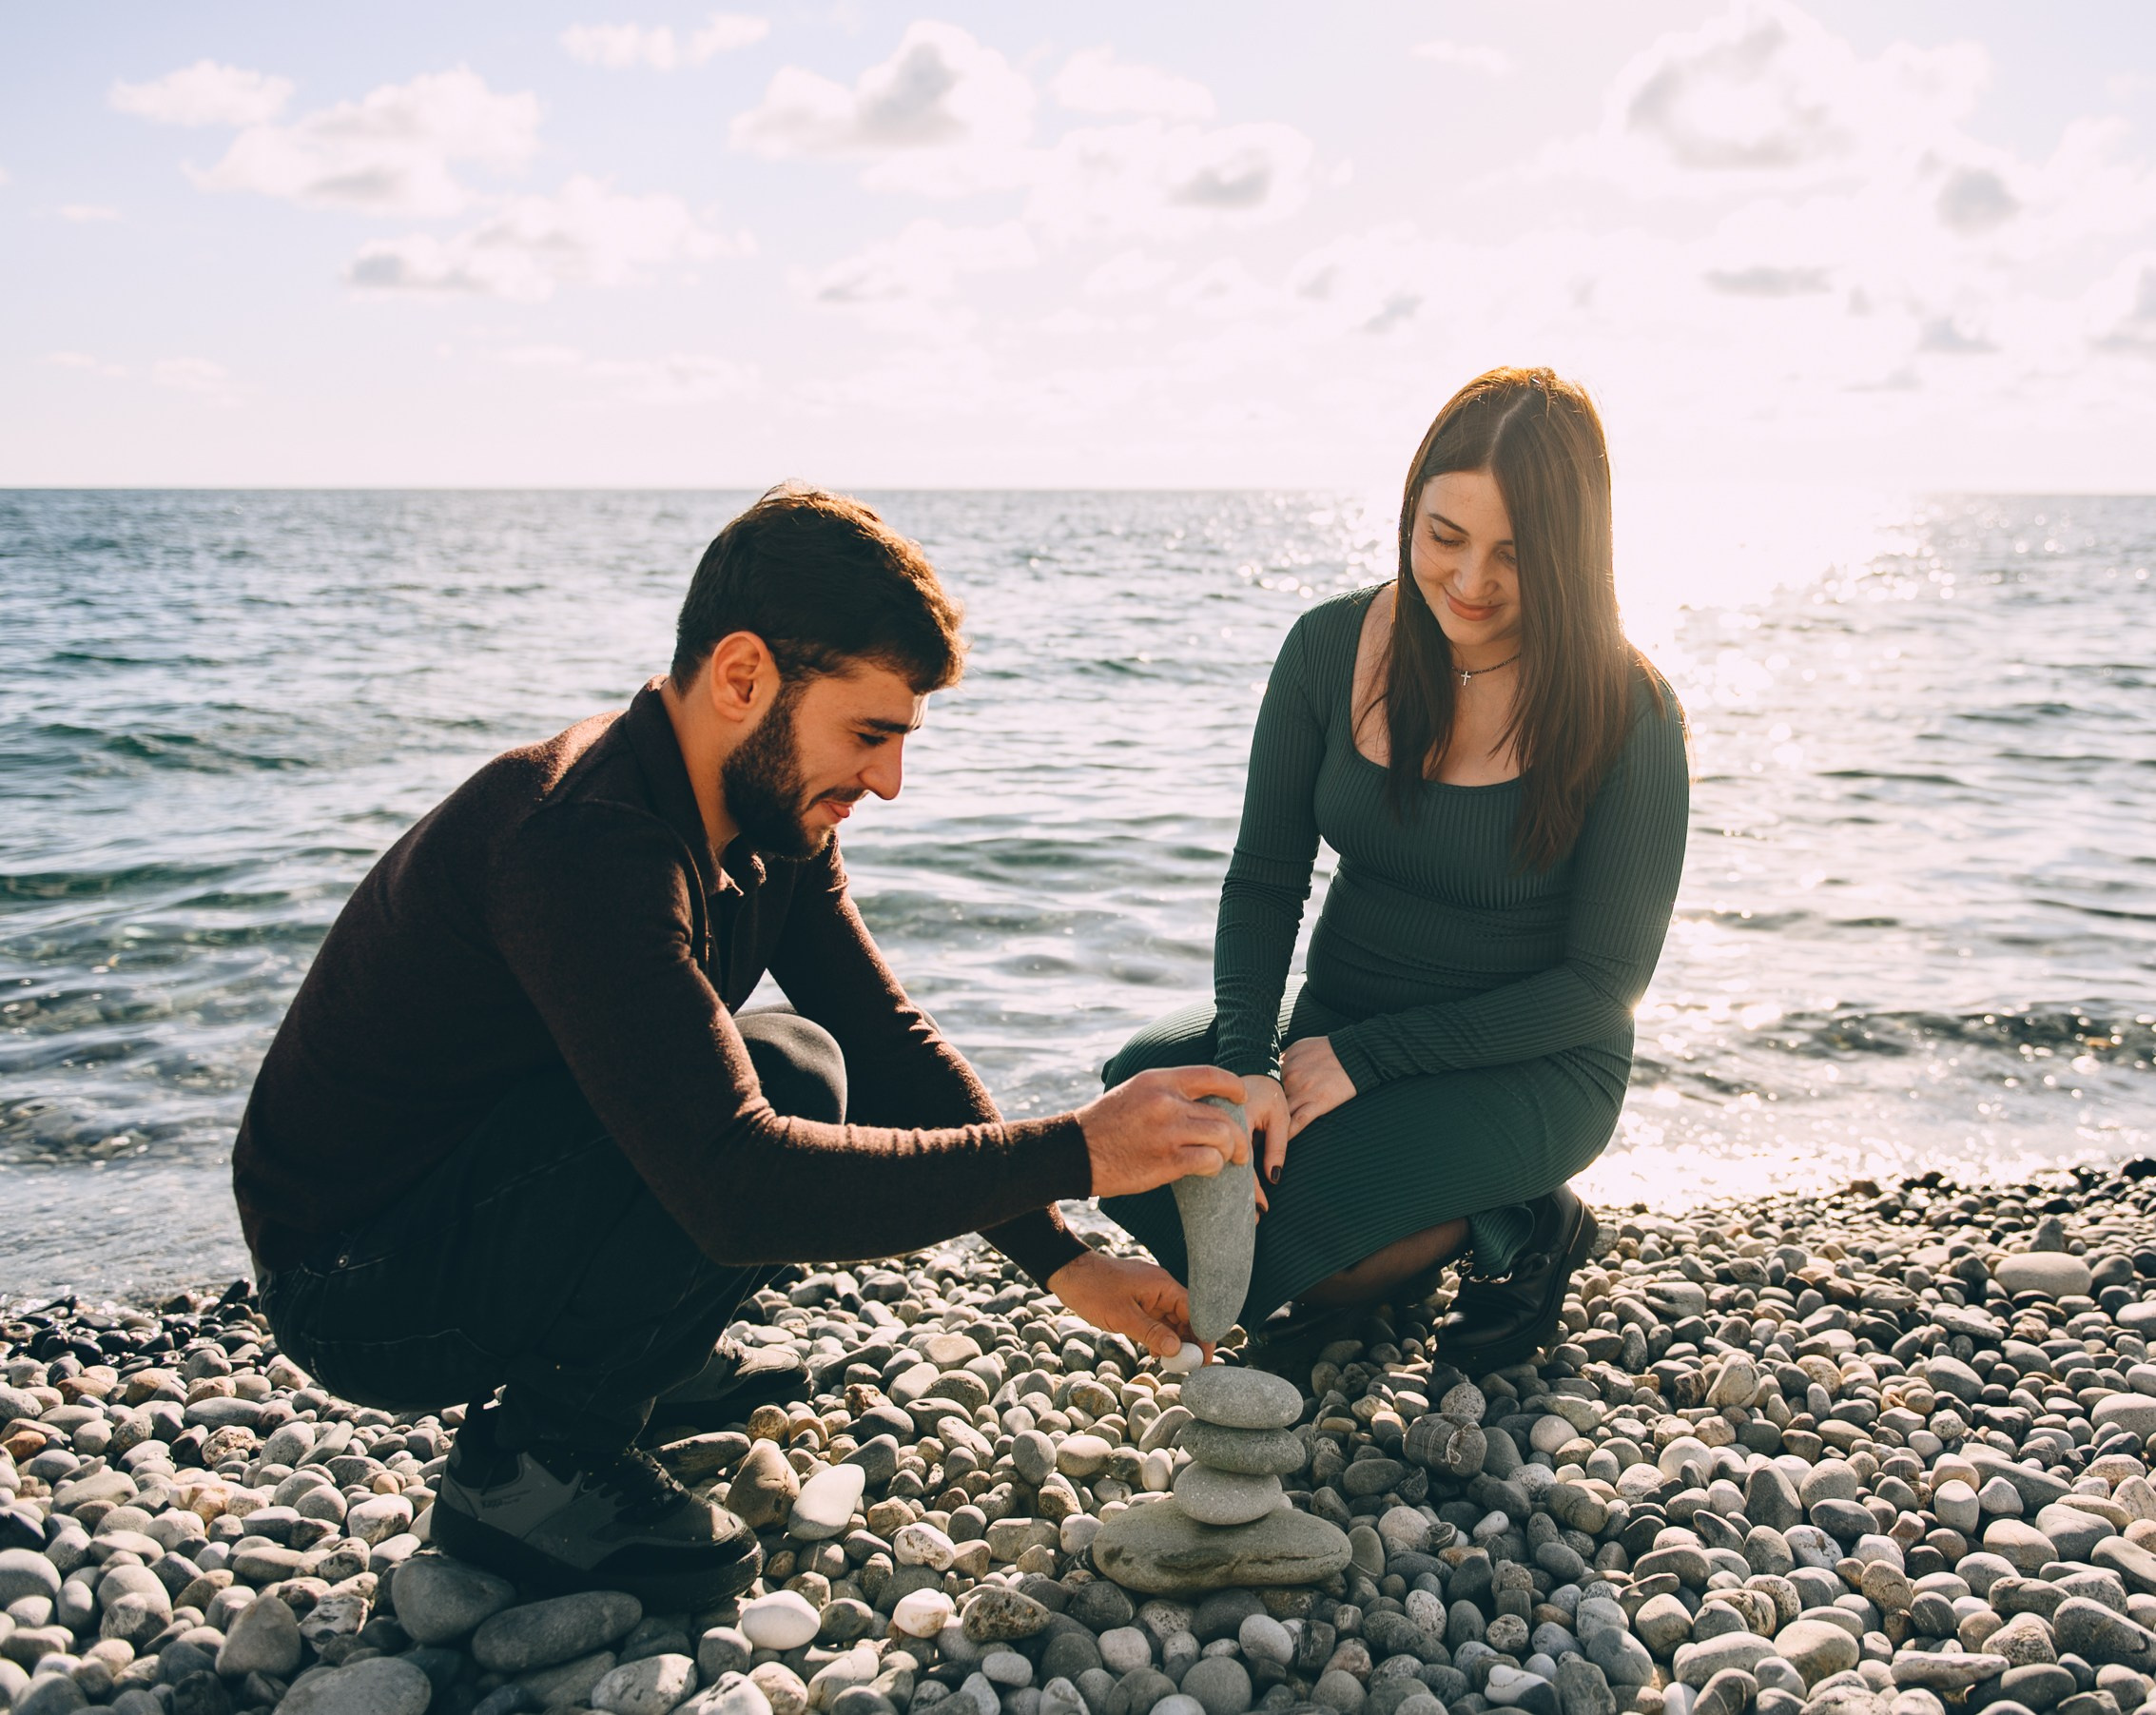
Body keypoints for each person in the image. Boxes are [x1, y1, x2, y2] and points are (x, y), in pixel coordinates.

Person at [231, 484, 1247, 1606]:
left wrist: (1060, 1256)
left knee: (812, 1057)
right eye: (867, 734)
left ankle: (626, 1357)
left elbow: (894, 1049)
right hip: (361, 1285)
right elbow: (737, 1192)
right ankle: (529, 1469)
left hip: (483, 1193)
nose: (887, 781)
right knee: (777, 1085)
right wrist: (1085, 1148)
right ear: (742, 678)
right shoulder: (584, 842)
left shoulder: (767, 823)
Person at [1099, 367, 1689, 1372]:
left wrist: (1370, 1060)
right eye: (1442, 536)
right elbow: (1262, 878)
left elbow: (1604, 987)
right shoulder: (1328, 649)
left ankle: (1520, 1227)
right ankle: (1392, 1233)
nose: (1468, 582)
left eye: (1514, 554)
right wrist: (1249, 1063)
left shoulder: (1626, 710)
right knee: (1143, 1102)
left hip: (1529, 1054)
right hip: (1338, 1014)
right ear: (1409, 510)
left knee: (1295, 1253)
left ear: (1573, 552)